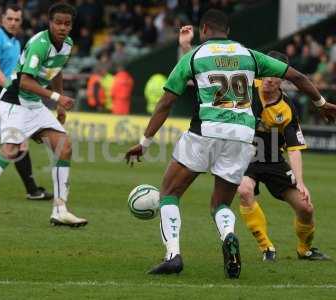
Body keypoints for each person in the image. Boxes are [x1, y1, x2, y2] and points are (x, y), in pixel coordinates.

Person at [125, 10, 336, 278]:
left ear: (204, 30)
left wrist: (144, 142)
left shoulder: (194, 57)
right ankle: (228, 236)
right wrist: (321, 104)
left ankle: (173, 256)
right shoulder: (249, 55)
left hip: (206, 131)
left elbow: (166, 102)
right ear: (227, 30)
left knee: (169, 192)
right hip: (241, 136)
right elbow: (299, 78)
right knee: (220, 204)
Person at [0, 3, 88, 227]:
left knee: (64, 145)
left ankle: (60, 209)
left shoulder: (66, 45)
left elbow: (57, 71)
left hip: (34, 104)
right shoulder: (39, 44)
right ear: (50, 23)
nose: (63, 27)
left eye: (67, 23)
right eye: (58, 22)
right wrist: (57, 99)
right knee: (11, 150)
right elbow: (26, 81)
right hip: (15, 100)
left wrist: (61, 105)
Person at [238, 51, 329, 262]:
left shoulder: (287, 108)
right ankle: (266, 247)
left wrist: (301, 182)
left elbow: (294, 148)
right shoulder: (248, 87)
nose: (270, 78)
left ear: (283, 77)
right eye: (267, 73)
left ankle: (304, 249)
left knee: (306, 208)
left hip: (272, 158)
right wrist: (186, 48)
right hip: (245, 155)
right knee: (244, 190)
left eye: (275, 75)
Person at [0, 4, 53, 228]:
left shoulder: (17, 42)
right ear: (2, 19)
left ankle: (32, 190)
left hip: (10, 96)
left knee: (20, 142)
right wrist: (12, 86)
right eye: (10, 19)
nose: (13, 23)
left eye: (17, 20)